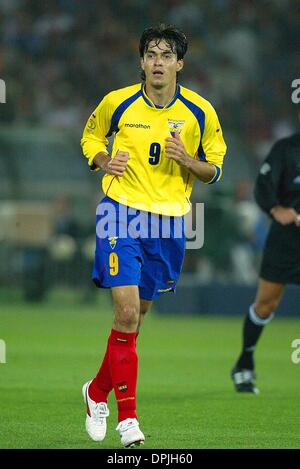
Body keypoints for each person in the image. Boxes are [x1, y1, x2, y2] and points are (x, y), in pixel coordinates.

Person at [80, 23, 227, 447]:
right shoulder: (118, 102)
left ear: (180, 63)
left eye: (166, 55)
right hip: (120, 212)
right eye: (150, 55)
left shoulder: (200, 112)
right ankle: (128, 420)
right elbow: (91, 134)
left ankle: (95, 392)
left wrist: (190, 160)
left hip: (167, 222)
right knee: (125, 313)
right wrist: (103, 158)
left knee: (136, 319)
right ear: (141, 62)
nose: (157, 62)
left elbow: (215, 169)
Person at [231, 129, 300, 394]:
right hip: (286, 240)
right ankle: (244, 362)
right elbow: (263, 186)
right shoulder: (286, 149)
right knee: (265, 304)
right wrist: (275, 209)